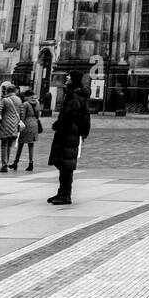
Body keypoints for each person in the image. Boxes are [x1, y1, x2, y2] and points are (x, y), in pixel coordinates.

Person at [47, 72, 90, 205]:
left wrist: (58, 125)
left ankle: (66, 195)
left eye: (69, 77)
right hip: (68, 131)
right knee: (62, 163)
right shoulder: (73, 94)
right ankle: (62, 192)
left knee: (66, 164)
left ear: (74, 80)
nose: (67, 78)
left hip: (69, 132)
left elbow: (70, 114)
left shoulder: (75, 96)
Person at [12, 87, 42, 172]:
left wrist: (19, 126)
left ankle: (15, 162)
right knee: (31, 145)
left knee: (20, 144)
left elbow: (22, 116)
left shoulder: (25, 104)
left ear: (27, 96)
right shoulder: (37, 103)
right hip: (34, 124)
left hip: (26, 125)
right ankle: (31, 163)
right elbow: (38, 115)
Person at [0, 83, 23, 172]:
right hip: (14, 125)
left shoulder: (5, 100)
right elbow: (21, 113)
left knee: (4, 145)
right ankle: (6, 162)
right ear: (15, 91)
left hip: (5, 124)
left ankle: (4, 165)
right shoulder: (19, 100)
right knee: (9, 145)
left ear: (7, 91)